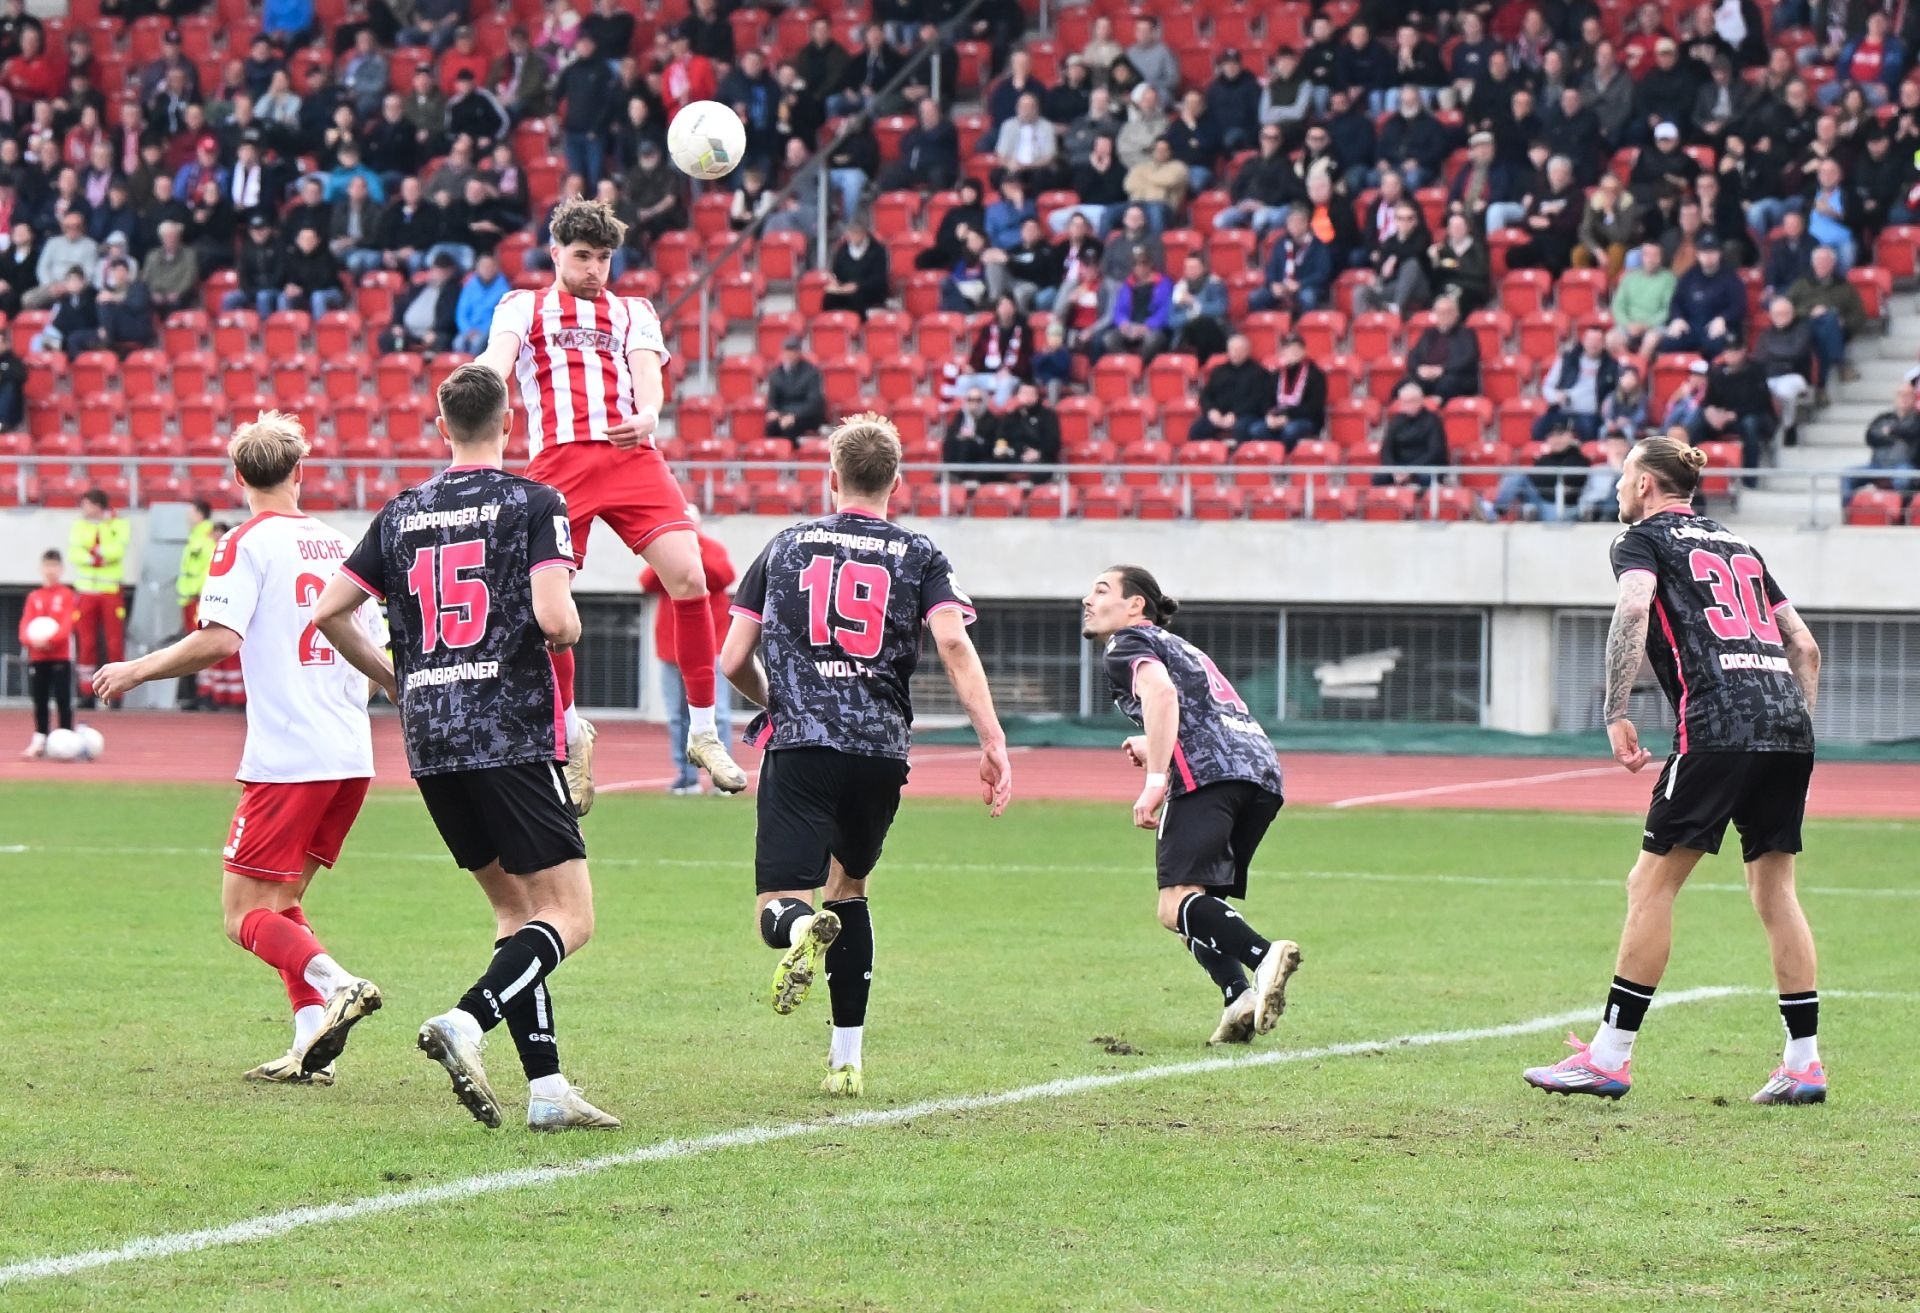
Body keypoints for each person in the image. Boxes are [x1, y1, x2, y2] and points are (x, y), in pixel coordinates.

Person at [314, 365, 618, 1133]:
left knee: (515, 910)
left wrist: (395, 678)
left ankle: (547, 1088)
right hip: (507, 729)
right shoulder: (534, 501)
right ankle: (467, 1019)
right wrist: (571, 627)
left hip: (431, 733)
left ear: (440, 426)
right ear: (509, 423)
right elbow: (556, 620)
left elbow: (330, 610)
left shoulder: (401, 511)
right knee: (570, 915)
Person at [1523, 437, 1826, 1106]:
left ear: (1646, 485)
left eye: (1624, 474)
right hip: (1787, 725)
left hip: (1718, 723)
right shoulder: (1740, 546)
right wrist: (1790, 728)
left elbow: (1634, 606)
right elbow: (1804, 645)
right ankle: (1804, 1064)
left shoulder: (1642, 540)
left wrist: (1614, 709)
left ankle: (1609, 1057)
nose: (1618, 486)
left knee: (1650, 883)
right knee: (1776, 891)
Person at [720, 413, 1012, 1095]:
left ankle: (800, 926)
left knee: (777, 907)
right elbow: (954, 642)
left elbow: (732, 658)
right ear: (896, 482)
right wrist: (992, 739)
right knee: (849, 887)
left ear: (832, 476)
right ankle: (845, 1061)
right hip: (880, 749)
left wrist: (778, 700)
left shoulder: (785, 545)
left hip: (803, 744)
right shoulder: (920, 553)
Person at [93, 414, 385, 1087]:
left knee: (241, 915)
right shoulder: (340, 543)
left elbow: (220, 639)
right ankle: (310, 1038)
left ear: (238, 477)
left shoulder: (243, 543)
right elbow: (374, 652)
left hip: (289, 757)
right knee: (280, 901)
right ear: (300, 472)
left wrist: (136, 670)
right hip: (350, 754)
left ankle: (337, 984)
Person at [476, 199, 747, 815]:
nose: (595, 269)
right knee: (550, 615)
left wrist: (648, 414)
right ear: (555, 253)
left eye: (603, 258)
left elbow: (648, 375)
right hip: (558, 464)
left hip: (632, 456)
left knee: (690, 577)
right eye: (583, 256)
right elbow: (499, 357)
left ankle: (704, 731)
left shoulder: (633, 310)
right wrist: (479, 379)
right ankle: (572, 736)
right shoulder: (523, 305)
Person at [1080, 566, 1300, 1047]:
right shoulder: (1182, 647)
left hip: (1208, 776)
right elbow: (1201, 711)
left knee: (1173, 904)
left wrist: (1156, 779)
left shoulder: (1126, 643)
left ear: (1135, 605)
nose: (1087, 599)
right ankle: (1238, 998)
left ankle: (1264, 956)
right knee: (1199, 908)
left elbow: (1161, 694)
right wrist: (1153, 742)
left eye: (1101, 590)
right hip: (1259, 772)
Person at [641, 507, 734, 795]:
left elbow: (724, 576)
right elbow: (647, 581)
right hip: (671, 647)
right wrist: (673, 556)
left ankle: (722, 775)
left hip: (710, 646)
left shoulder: (712, 549)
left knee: (718, 713)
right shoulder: (664, 551)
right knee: (677, 716)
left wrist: (694, 554)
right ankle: (686, 775)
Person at [68, 487, 129, 710]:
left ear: (97, 505)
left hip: (110, 591)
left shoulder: (118, 525)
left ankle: (116, 693)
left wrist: (95, 553)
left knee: (114, 642)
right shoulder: (79, 526)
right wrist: (97, 557)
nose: (83, 509)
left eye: (86, 504)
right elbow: (74, 553)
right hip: (86, 592)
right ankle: (86, 692)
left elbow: (117, 551)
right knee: (86, 643)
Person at [19, 549, 78, 758]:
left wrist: (51, 641)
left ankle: (67, 738)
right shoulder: (34, 597)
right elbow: (25, 625)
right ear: (41, 568)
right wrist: (31, 641)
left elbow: (67, 624)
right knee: (40, 699)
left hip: (60, 656)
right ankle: (40, 737)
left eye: (54, 566)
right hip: (38, 657)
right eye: (47, 566)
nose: (50, 570)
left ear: (61, 569)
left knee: (63, 698)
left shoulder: (67, 595)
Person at [1487, 420, 1593, 520]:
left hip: (1569, 507)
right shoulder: (1543, 460)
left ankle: (1529, 512)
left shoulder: (1580, 460)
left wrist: (1548, 479)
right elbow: (1536, 480)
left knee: (1554, 512)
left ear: (1570, 436)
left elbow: (1572, 482)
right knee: (1516, 474)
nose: (1556, 440)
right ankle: (1496, 512)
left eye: (1560, 435)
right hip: (1541, 502)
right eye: (1552, 436)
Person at [1842, 382, 1920, 502]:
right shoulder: (1883, 418)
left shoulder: (1917, 419)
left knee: (1903, 479)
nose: (1903, 398)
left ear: (1914, 399)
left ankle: (1900, 512)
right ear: (1895, 398)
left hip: (1905, 465)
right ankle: (1848, 512)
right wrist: (1895, 437)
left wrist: (1892, 431)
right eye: (1900, 394)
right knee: (1847, 475)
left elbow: (1912, 432)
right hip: (1878, 464)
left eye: (1907, 395)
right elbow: (1870, 436)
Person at [1538, 326, 1620, 441]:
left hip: (1590, 414)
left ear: (1603, 344)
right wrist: (1555, 396)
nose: (1593, 344)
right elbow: (1547, 386)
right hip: (1562, 411)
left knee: (1589, 431)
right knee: (1538, 429)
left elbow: (1616, 393)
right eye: (1590, 340)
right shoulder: (1567, 360)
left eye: (1597, 341)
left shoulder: (1612, 366)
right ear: (1583, 341)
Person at [1190, 334, 1271, 445]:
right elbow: (1206, 395)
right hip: (1219, 414)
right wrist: (1211, 410)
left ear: (1248, 351)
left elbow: (1257, 400)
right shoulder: (1218, 371)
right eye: (1232, 350)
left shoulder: (1259, 372)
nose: (1235, 353)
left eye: (1239, 350)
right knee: (1197, 429)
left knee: (1241, 427)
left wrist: (1235, 414)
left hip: (1246, 414)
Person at [174, 499, 216, 711]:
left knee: (201, 647)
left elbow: (208, 570)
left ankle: (204, 694)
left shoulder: (206, 540)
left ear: (200, 514)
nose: (187, 517)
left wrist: (200, 594)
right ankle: (195, 693)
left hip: (198, 600)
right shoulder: (196, 538)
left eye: (191, 512)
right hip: (190, 599)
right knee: (193, 647)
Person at [1402, 294, 1479, 401]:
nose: (1444, 316)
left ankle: (1434, 404)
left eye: (1448, 312)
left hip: (1453, 377)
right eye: (1440, 312)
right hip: (1427, 377)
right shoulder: (1428, 333)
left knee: (1448, 384)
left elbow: (1468, 359)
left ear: (1457, 313)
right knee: (1404, 386)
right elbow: (1413, 356)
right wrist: (1420, 369)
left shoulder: (1466, 334)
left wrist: (1442, 370)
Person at [1377, 383, 1447, 488]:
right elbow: (1386, 449)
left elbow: (1435, 452)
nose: (1407, 405)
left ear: (1420, 401)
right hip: (1400, 465)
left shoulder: (1433, 421)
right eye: (1404, 402)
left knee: (1426, 477)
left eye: (1411, 401)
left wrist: (1410, 470)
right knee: (1380, 477)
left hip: (1425, 465)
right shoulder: (1396, 421)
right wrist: (1394, 470)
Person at [820, 216, 890, 317]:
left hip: (868, 291)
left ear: (864, 233)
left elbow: (879, 279)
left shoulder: (878, 250)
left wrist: (857, 286)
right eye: (850, 233)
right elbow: (836, 271)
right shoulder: (842, 250)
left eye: (856, 233)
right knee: (829, 297)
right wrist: (834, 281)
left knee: (855, 298)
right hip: (844, 289)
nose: (852, 236)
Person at [765, 337, 826, 441]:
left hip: (805, 415)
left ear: (799, 352)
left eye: (793, 351)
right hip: (783, 413)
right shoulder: (776, 373)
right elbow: (772, 399)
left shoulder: (811, 372)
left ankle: (792, 449)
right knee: (772, 426)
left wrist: (794, 415)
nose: (790, 354)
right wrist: (773, 411)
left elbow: (814, 402)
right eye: (787, 351)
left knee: (789, 429)